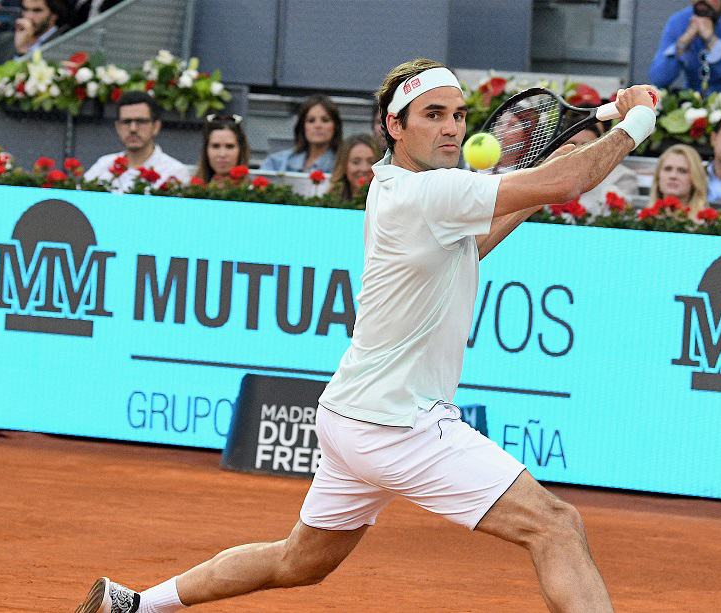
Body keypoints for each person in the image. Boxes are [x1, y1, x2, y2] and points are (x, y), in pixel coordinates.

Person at [74, 57, 660, 613]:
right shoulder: (430, 192)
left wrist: (531, 191)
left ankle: (135, 603)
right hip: (399, 423)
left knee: (299, 562)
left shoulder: (405, 188)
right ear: (393, 125)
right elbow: (567, 182)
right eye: (433, 115)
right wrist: (635, 123)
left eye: (457, 113)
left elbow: (472, 245)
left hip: (352, 415)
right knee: (554, 525)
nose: (452, 128)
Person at [648, 0, 721, 96]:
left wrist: (711, 40)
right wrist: (682, 43)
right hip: (691, 106)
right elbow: (657, 79)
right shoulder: (679, 21)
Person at [83, 91, 189, 192]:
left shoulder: (175, 172)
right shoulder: (103, 165)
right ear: (117, 127)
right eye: (126, 122)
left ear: (156, 126)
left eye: (141, 121)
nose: (133, 128)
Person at [566, 124, 639, 215]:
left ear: (600, 149)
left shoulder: (624, 176)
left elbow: (619, 219)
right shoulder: (553, 174)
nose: (577, 149)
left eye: (585, 145)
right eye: (571, 144)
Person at [261, 94, 341, 174]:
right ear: (302, 126)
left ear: (336, 126)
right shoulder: (275, 163)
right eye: (311, 120)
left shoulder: (343, 166)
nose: (318, 126)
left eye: (325, 120)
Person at [650, 143, 709, 220]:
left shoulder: (707, 226)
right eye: (668, 169)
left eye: (682, 171)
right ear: (658, 177)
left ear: (695, 178)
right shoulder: (640, 222)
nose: (673, 176)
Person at [194, 114, 250, 184]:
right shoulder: (190, 191)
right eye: (215, 146)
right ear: (205, 150)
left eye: (229, 146)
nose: (222, 154)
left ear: (241, 150)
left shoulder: (256, 192)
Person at [327, 133, 380, 201]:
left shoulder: (388, 202)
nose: (364, 168)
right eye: (356, 162)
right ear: (343, 166)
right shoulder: (329, 202)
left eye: (371, 162)